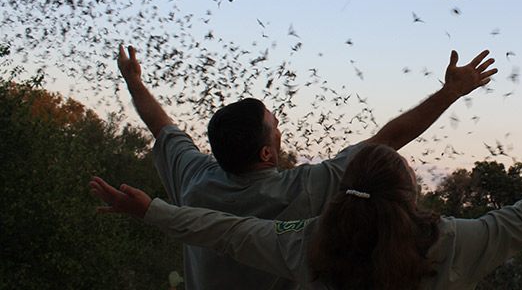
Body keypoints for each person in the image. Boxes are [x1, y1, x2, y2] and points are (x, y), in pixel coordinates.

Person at [91, 115, 522, 290]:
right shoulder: (451, 246)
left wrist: (152, 211)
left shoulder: (306, 245)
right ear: (410, 196)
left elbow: (224, 231)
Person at [115, 44, 497, 290]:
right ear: (267, 154)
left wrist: (134, 82)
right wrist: (450, 93)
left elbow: (160, 124)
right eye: (276, 127)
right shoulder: (304, 189)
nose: (281, 131)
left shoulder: (192, 177)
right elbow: (388, 141)